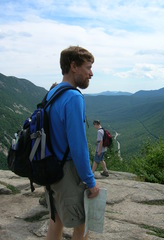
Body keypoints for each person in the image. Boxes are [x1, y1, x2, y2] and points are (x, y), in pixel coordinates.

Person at [45, 46, 100, 240]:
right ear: (73, 66)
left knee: (56, 219)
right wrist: (90, 181)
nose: (91, 73)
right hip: (68, 172)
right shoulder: (74, 97)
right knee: (82, 226)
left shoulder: (53, 93)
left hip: (51, 168)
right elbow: (78, 146)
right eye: (88, 67)